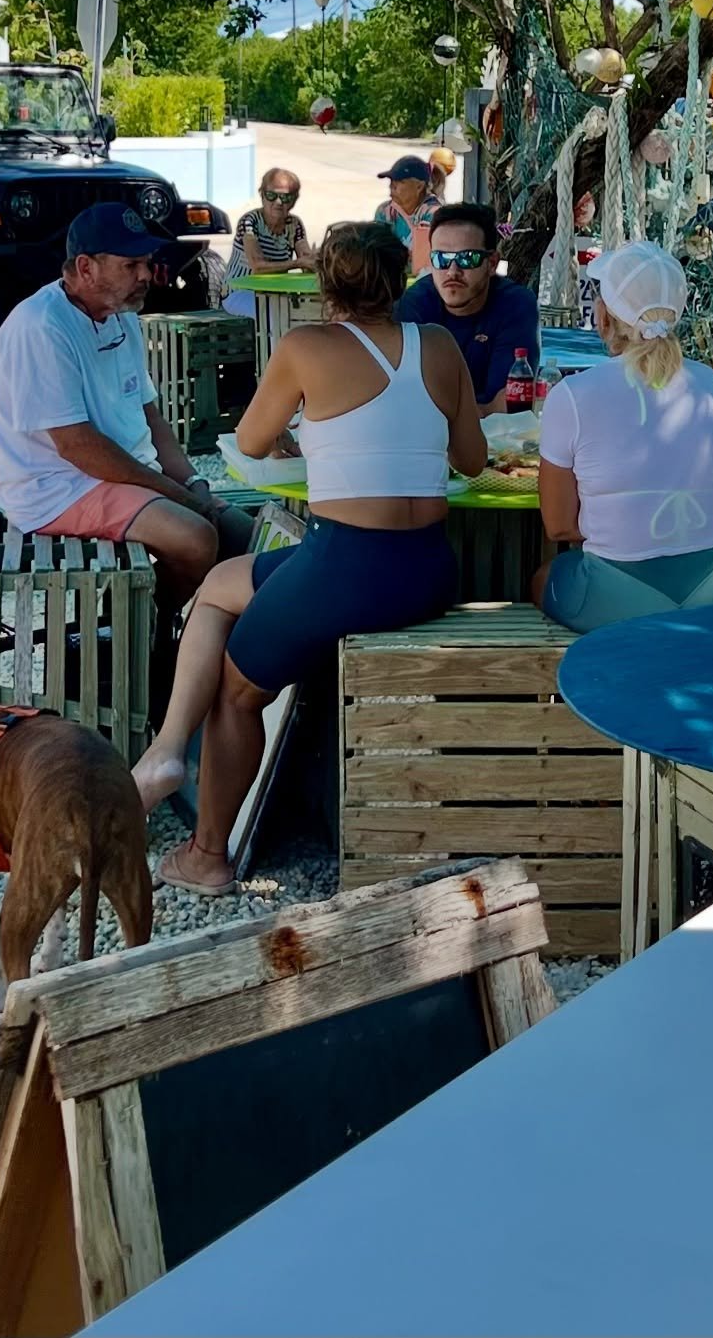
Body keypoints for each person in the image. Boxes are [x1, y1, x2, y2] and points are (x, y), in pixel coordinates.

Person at [132, 221, 487, 891]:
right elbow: (472, 458)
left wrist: (310, 430)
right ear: (400, 280)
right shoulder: (437, 345)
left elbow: (253, 439)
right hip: (426, 569)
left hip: (345, 569)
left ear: (325, 283)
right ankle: (167, 749)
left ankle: (208, 853)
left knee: (237, 693)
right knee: (219, 585)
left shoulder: (305, 345)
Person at [0, 202, 254, 611]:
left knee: (248, 535)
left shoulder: (121, 313)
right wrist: (181, 497)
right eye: (130, 265)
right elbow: (79, 448)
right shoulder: (41, 327)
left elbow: (149, 415)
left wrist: (195, 482)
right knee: (196, 538)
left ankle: (166, 637)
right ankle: (143, 644)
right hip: (57, 489)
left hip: (115, 480)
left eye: (146, 262)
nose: (146, 275)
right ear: (85, 267)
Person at [535, 241, 713, 632]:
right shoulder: (711, 383)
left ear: (603, 319)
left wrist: (623, 527)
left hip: (620, 596)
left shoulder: (573, 395)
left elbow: (559, 525)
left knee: (544, 578)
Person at [395, 202, 541, 415]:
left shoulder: (516, 305)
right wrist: (486, 408)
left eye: (467, 258)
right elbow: (410, 402)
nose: (452, 271)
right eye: (441, 258)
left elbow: (509, 405)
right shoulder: (415, 304)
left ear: (492, 263)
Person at [222, 167, 316, 318]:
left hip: (275, 293)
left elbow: (307, 258)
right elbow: (258, 266)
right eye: (271, 195)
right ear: (262, 195)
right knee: (274, 314)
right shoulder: (249, 222)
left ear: (294, 200)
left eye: (285, 197)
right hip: (239, 291)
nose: (278, 202)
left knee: (310, 310)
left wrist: (313, 260)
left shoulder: (294, 224)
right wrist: (298, 263)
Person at [374, 154, 441, 274]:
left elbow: (423, 263)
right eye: (391, 181)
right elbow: (377, 251)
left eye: (399, 182)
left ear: (419, 186)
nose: (392, 186)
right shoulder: (385, 211)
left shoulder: (433, 214)